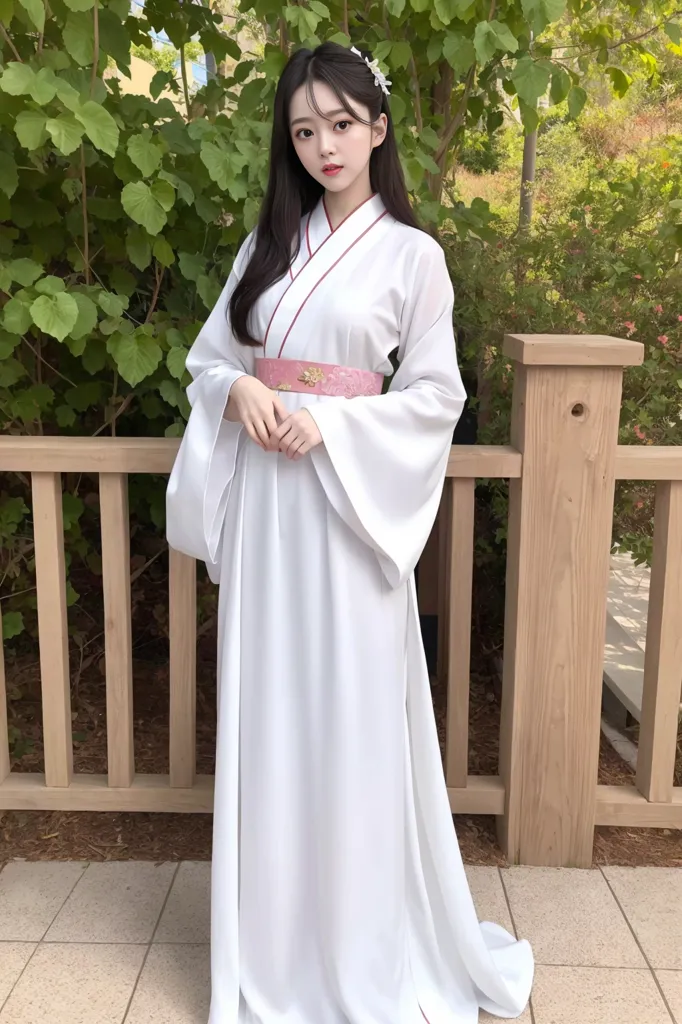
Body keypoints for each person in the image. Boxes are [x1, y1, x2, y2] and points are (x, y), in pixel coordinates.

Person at [166, 39, 533, 1024]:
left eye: (340, 123)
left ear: (377, 126)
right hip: (269, 519)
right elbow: (208, 362)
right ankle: (276, 949)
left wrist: (327, 421)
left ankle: (363, 947)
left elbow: (435, 396)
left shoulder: (415, 258)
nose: (323, 144)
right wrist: (242, 385)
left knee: (351, 725)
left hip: (348, 511)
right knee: (272, 717)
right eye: (303, 129)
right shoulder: (267, 248)